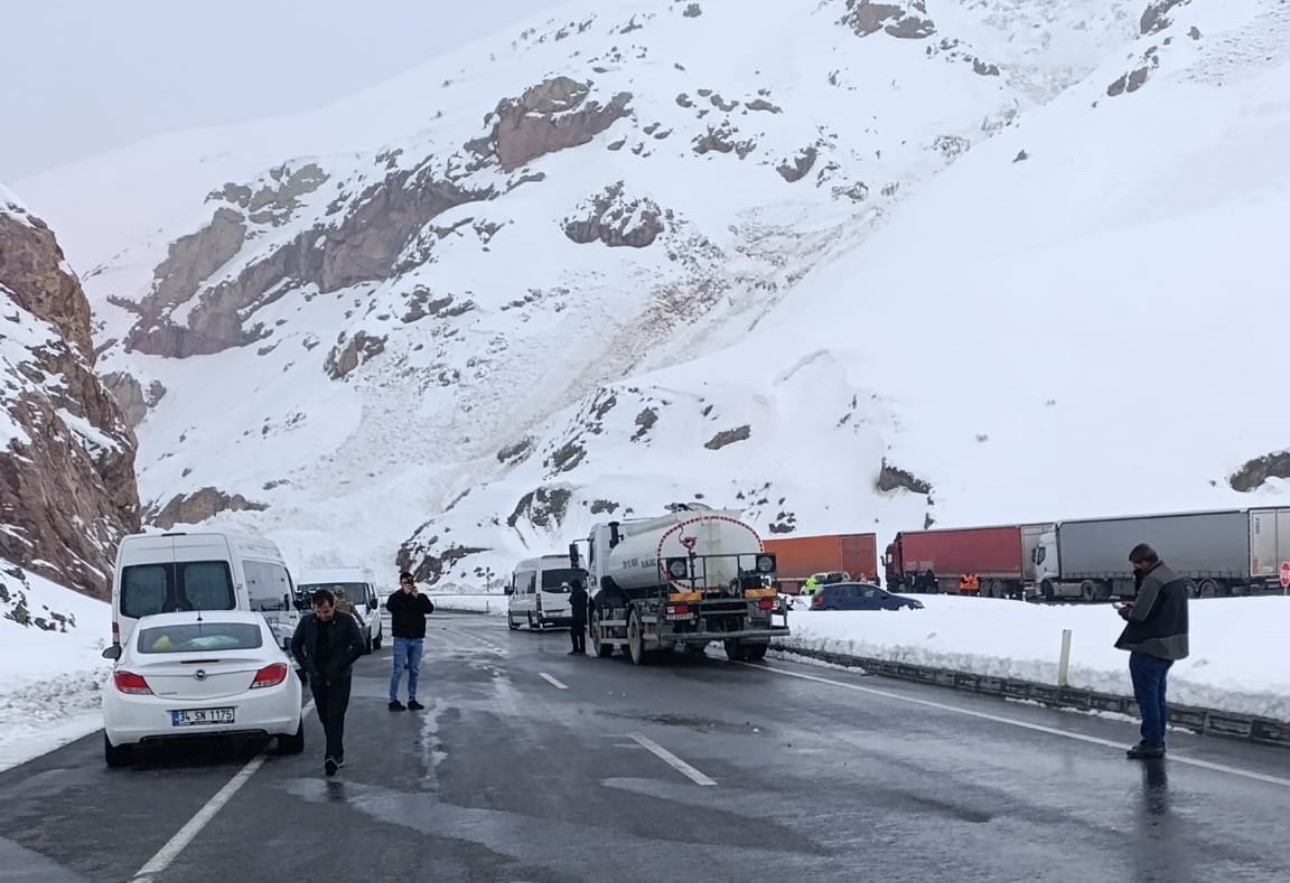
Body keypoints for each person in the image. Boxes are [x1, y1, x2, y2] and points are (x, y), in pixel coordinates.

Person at [1115, 543, 1190, 760]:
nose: (1136, 569)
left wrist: (1125, 611)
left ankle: (1153, 743)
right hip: (1171, 645)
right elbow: (1159, 608)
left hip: (1151, 646)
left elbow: (1140, 615)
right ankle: (1157, 739)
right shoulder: (1172, 576)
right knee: (1158, 697)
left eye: (1137, 566)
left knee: (1147, 697)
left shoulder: (1153, 580)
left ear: (1145, 562)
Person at [290, 588, 366, 777]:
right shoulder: (307, 622)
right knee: (325, 716)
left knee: (335, 715)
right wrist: (307, 666)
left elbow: (360, 646)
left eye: (326, 611)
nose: (322, 615)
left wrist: (342, 664)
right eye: (318, 611)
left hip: (340, 677)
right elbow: (295, 645)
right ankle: (337, 752)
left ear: (333, 606)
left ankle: (330, 756)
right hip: (317, 677)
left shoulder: (346, 621)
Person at [386, 571, 435, 711]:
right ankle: (393, 700)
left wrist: (417, 597)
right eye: (405, 583)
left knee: (414, 670)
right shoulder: (396, 597)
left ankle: (412, 698)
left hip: (417, 640)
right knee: (398, 670)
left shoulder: (420, 597)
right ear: (401, 584)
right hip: (401, 639)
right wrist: (403, 594)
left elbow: (429, 609)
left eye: (410, 582)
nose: (408, 585)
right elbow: (390, 606)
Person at [568, 578, 588, 655]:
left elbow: (572, 600)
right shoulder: (584, 593)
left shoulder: (576, 593)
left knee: (573, 632)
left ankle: (576, 648)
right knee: (581, 633)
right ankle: (582, 649)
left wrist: (572, 593)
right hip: (582, 615)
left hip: (576, 616)